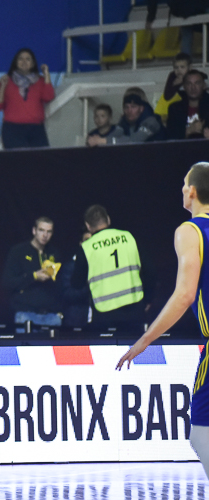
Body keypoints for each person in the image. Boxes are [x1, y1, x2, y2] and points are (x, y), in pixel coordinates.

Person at [117, 162, 209, 479]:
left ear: (192, 191)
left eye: (184, 183)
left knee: (201, 433)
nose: (182, 188)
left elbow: (184, 295)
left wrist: (145, 340)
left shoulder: (190, 231)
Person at [71, 205, 155, 334]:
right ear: (108, 219)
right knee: (135, 346)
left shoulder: (86, 248)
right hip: (134, 310)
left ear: (88, 226)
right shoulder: (129, 238)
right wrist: (148, 299)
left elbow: (76, 283)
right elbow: (150, 271)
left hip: (104, 315)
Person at [1, 217, 62, 333]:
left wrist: (59, 312)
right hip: (27, 314)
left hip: (51, 315)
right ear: (34, 231)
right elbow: (7, 282)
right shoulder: (18, 251)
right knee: (27, 345)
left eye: (49, 232)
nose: (45, 235)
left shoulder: (54, 253)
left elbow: (60, 284)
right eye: (41, 230)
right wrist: (34, 276)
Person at [0, 48, 55, 149]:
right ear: (15, 62)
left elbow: (48, 97)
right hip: (12, 130)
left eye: (28, 59)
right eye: (20, 59)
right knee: (18, 159)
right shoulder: (6, 80)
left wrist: (47, 75)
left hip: (37, 129)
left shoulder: (41, 80)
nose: (24, 62)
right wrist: (2, 86)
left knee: (42, 158)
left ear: (33, 63)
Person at [87, 89, 164, 145]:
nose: (129, 111)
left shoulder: (151, 122)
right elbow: (115, 135)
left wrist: (104, 141)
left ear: (141, 108)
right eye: (126, 107)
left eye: (133, 107)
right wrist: (96, 139)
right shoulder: (124, 122)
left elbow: (134, 141)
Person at [166, 69, 209, 140]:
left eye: (197, 83)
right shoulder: (175, 109)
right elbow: (171, 137)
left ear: (203, 85)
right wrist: (188, 131)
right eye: (189, 84)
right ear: (184, 86)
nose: (193, 88)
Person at [155, 52, 192, 124]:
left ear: (189, 67)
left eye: (182, 67)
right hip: (168, 108)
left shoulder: (193, 76)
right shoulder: (172, 76)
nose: (179, 70)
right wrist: (177, 85)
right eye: (176, 67)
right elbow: (167, 96)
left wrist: (183, 82)